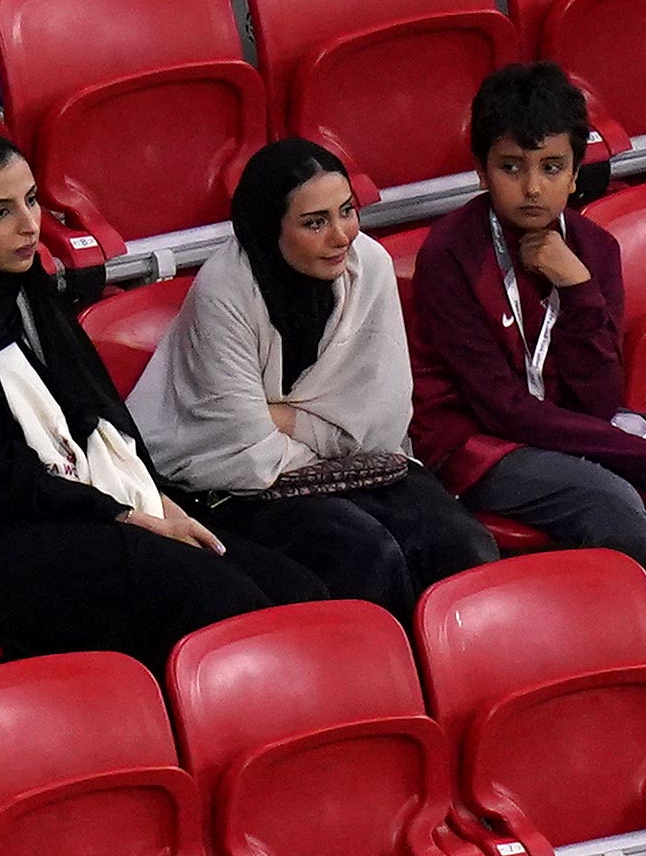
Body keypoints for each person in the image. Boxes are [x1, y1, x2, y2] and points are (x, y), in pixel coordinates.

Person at [0, 132, 358, 654]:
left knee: (297, 592)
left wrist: (160, 503)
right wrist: (124, 516)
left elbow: (100, 416)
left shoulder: (26, 292)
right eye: (0, 213)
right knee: (215, 599)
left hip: (80, 505)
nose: (30, 226)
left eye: (31, 201)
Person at [130, 143, 487, 610]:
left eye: (347, 212)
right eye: (315, 222)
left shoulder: (370, 265)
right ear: (269, 228)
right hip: (230, 483)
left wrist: (283, 418)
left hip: (358, 463)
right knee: (368, 554)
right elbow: (245, 449)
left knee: (463, 544)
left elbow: (382, 421)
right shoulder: (225, 290)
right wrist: (331, 432)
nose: (341, 236)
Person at [406, 65, 646, 563]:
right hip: (480, 446)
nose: (532, 188)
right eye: (511, 168)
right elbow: (503, 409)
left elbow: (600, 398)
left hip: (570, 428)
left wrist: (577, 287)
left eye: (551, 167)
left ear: (577, 172)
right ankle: (623, 636)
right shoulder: (449, 253)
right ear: (481, 171)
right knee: (615, 508)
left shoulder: (595, 250)